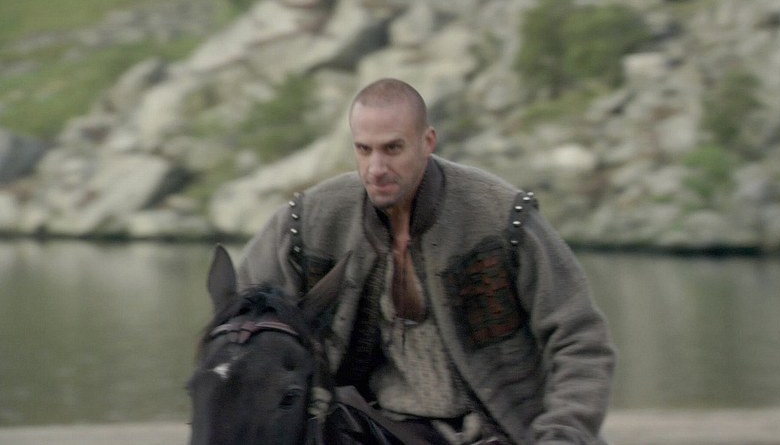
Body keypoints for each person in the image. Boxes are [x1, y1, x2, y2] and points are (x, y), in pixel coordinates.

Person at [236, 78, 615, 444]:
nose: (376, 168)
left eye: (392, 148)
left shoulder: (501, 217)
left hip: (503, 429)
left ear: (427, 142)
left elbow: (579, 339)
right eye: (364, 150)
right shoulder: (314, 218)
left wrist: (563, 434)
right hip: (377, 426)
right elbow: (242, 318)